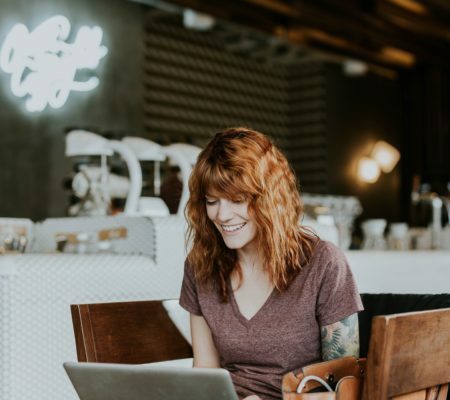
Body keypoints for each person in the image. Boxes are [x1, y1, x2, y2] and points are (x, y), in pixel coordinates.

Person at [179, 127, 363, 400]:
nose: (222, 215)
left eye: (237, 200)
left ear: (269, 198)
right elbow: (205, 374)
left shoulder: (323, 263)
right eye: (212, 201)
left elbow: (347, 387)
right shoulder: (200, 267)